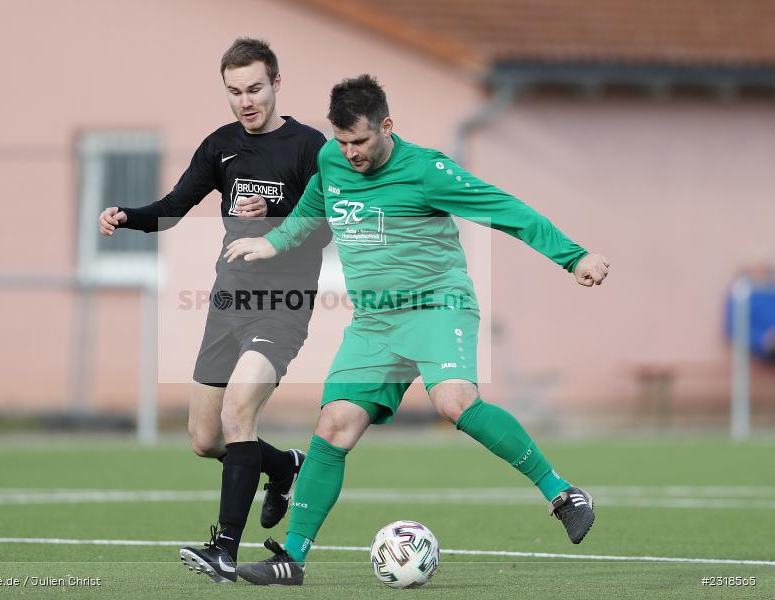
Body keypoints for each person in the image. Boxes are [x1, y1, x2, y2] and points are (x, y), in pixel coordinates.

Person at [224, 74, 610, 586]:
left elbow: (506, 209)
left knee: (454, 402)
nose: (350, 153)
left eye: (359, 141)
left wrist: (574, 256)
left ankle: (562, 493)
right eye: (341, 141)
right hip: (375, 321)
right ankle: (291, 559)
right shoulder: (331, 160)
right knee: (333, 424)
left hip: (436, 305)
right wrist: (273, 242)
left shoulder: (428, 170)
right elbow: (312, 211)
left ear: (386, 126)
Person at [97, 38, 329, 584]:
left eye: (254, 89)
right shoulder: (221, 146)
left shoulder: (310, 147)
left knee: (237, 417)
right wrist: (126, 216)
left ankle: (222, 549)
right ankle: (285, 465)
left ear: (276, 82)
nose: (246, 101)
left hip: (283, 305)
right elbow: (173, 209)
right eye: (234, 92)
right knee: (206, 438)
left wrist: (275, 212)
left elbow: (327, 228)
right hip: (228, 301)